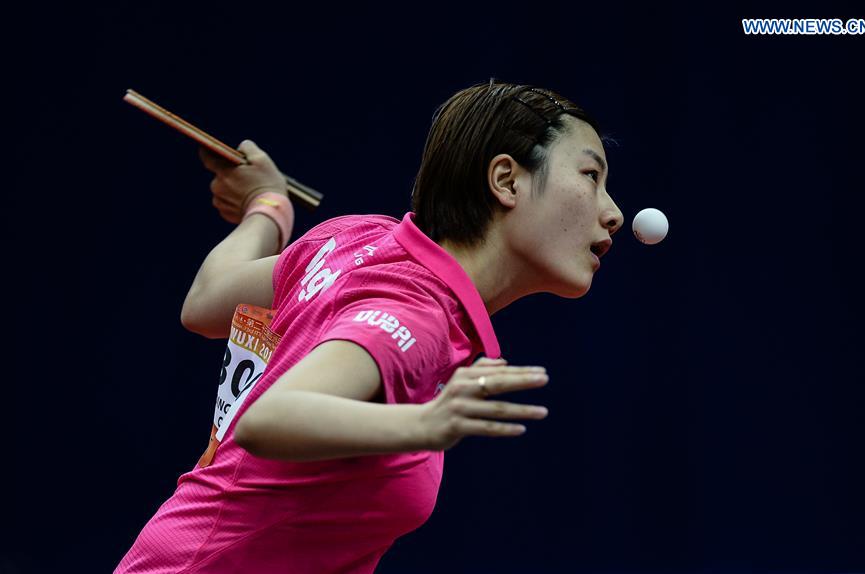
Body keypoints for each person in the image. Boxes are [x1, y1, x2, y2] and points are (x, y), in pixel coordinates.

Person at [114, 79, 623, 573]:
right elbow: (269, 419)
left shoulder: (358, 241)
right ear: (506, 181)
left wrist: (266, 206)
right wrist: (426, 425)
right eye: (590, 176)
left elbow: (205, 303)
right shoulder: (418, 315)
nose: (614, 213)